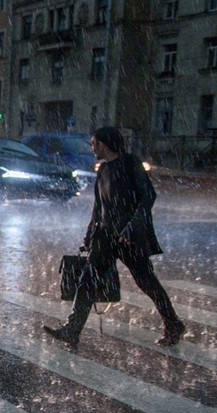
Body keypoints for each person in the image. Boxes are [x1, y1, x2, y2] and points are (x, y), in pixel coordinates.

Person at [44, 126, 185, 347]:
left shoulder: (131, 164)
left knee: (147, 282)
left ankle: (173, 323)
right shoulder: (103, 169)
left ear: (103, 144)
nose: (92, 148)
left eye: (93, 144)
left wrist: (131, 228)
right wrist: (90, 234)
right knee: (87, 280)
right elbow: (99, 207)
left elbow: (148, 196)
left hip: (129, 238)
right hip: (106, 236)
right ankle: (72, 329)